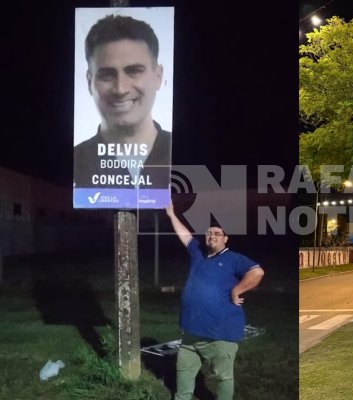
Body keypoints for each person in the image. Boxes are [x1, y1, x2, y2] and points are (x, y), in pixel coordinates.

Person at [166, 203, 265, 400]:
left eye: (217, 233)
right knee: (183, 374)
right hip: (190, 334)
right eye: (209, 233)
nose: (212, 236)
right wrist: (171, 213)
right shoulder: (198, 255)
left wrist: (237, 289)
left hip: (219, 335)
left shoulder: (233, 259)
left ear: (225, 238)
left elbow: (257, 272)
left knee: (223, 377)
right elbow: (185, 236)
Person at [74, 14, 171, 188]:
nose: (120, 89)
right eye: (107, 75)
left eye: (134, 71)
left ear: (158, 76)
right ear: (90, 82)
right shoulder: (72, 162)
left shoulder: (184, 154)